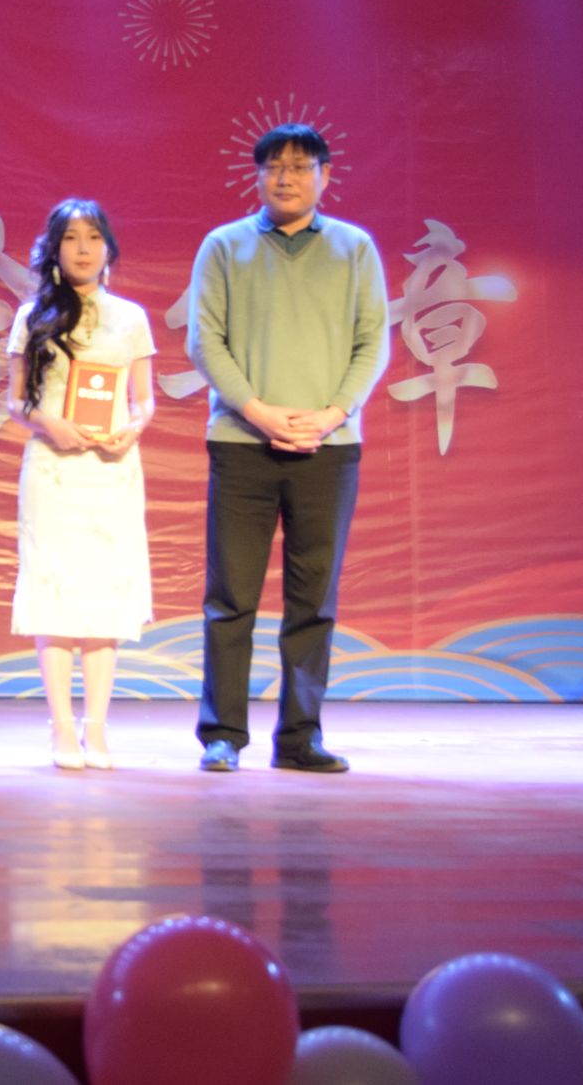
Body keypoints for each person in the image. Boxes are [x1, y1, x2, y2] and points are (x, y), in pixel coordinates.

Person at [186, 123, 389, 773]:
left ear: (326, 175)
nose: (286, 177)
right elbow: (204, 340)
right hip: (242, 443)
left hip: (328, 448)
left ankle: (301, 736)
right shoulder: (224, 246)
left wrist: (331, 415)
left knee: (314, 600)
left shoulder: (355, 248)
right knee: (230, 598)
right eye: (274, 166)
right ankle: (223, 734)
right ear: (257, 176)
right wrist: (257, 411)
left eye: (301, 166)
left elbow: (373, 342)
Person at [4, 199, 156, 771]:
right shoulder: (31, 316)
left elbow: (144, 400)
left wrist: (132, 429)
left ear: (108, 248)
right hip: (54, 467)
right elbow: (16, 401)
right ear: (54, 249)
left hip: (112, 470)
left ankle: (97, 729)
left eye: (93, 236)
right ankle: (62, 729)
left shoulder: (131, 317)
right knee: (56, 595)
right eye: (71, 238)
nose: (84, 248)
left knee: (104, 597)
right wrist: (49, 423)